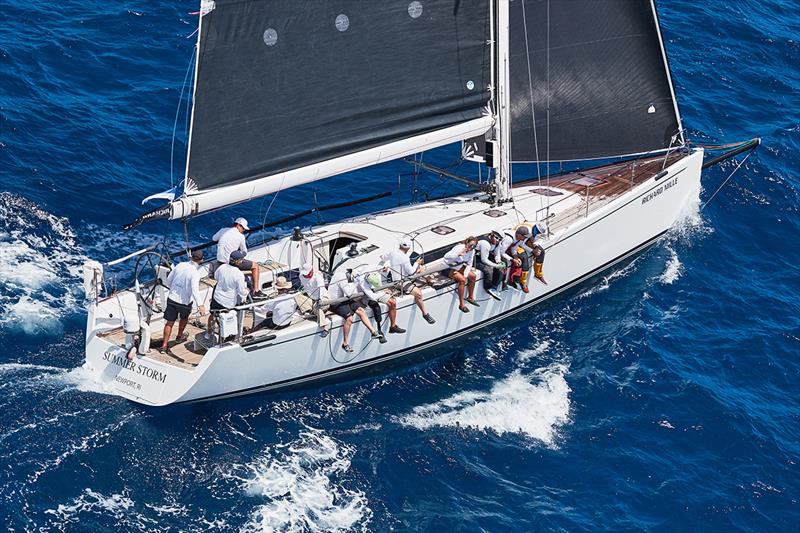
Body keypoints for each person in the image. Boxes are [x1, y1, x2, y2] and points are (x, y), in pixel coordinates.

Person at [159, 249, 207, 355]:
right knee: (184, 318)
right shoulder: (195, 273)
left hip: (172, 298)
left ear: (191, 257)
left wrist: (174, 290)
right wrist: (201, 305)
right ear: (201, 260)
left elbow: (169, 280)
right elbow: (195, 290)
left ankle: (164, 346)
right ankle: (179, 337)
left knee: (169, 323)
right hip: (185, 302)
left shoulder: (180, 265)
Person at [328, 268, 381, 353]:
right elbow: (349, 293)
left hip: (343, 299)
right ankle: (345, 344)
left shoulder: (339, 275)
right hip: (335, 302)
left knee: (361, 310)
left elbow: (347, 292)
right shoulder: (342, 279)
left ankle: (373, 332)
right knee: (349, 318)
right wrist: (356, 282)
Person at [381, 240, 435, 324]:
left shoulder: (392, 252)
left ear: (400, 245)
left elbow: (382, 257)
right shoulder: (405, 257)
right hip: (401, 281)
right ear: (408, 248)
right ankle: (425, 314)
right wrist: (417, 263)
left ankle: (430, 280)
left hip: (395, 277)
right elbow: (411, 272)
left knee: (420, 268)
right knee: (419, 294)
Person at [212, 217, 262, 297]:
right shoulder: (240, 236)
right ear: (238, 225)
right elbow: (244, 251)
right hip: (231, 262)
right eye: (243, 228)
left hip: (220, 262)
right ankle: (256, 290)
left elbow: (214, 238)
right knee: (256, 266)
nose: (244, 230)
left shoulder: (223, 230)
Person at [207, 249, 250, 334]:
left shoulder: (222, 267)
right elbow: (242, 292)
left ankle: (208, 333)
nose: (243, 261)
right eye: (241, 259)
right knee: (226, 320)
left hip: (216, 298)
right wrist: (248, 290)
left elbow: (216, 277)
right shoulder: (239, 274)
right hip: (228, 303)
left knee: (213, 315)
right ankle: (224, 337)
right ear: (237, 261)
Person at [354, 265, 394, 340]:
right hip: (362, 295)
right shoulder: (363, 283)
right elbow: (373, 297)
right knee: (375, 305)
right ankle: (379, 329)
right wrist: (384, 292)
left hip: (374, 290)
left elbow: (377, 267)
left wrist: (384, 268)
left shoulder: (371, 269)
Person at [443, 236, 479, 313]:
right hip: (447, 268)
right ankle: (461, 304)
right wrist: (458, 255)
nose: (472, 247)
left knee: (473, 276)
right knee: (462, 280)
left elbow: (469, 264)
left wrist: (465, 275)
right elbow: (446, 256)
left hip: (458, 267)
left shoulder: (472, 251)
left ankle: (471, 297)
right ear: (467, 242)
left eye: (474, 246)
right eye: (471, 244)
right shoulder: (459, 248)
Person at [297, 262, 331, 337]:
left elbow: (321, 290)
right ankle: (309, 310)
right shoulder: (301, 276)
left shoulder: (317, 277)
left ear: (311, 270)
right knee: (296, 296)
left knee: (317, 307)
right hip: (311, 298)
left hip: (322, 298)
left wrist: (320, 300)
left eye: (307, 273)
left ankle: (324, 326)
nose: (305, 275)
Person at [475, 231, 506, 300]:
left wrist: (499, 262)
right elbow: (484, 260)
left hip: (484, 255)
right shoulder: (485, 243)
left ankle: (494, 287)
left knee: (501, 267)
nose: (497, 240)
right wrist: (495, 265)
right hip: (475, 257)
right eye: (496, 238)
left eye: (500, 239)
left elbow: (497, 254)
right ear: (492, 235)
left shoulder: (498, 243)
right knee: (488, 270)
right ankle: (488, 288)